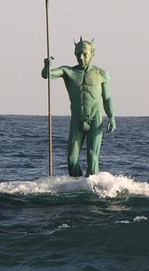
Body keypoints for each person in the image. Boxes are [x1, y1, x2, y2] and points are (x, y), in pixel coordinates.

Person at [42, 38, 116, 177]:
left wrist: (112, 117)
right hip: (77, 120)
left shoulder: (101, 74)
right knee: (71, 160)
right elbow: (47, 75)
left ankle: (91, 190)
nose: (81, 58)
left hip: (95, 119)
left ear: (92, 53)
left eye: (84, 54)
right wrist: (47, 66)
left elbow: (107, 98)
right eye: (78, 54)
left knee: (92, 158)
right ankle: (77, 188)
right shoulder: (68, 71)